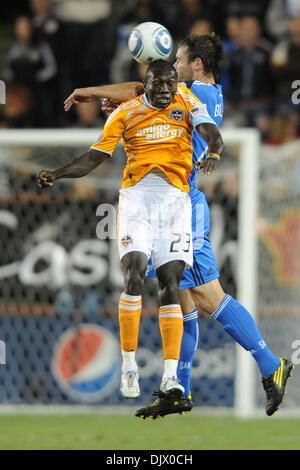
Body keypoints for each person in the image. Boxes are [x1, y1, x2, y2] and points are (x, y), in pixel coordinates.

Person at [63, 34, 294, 419]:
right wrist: (114, 97)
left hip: (181, 203)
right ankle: (177, 388)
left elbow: (142, 88)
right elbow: (144, 92)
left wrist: (96, 92)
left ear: (197, 66)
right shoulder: (204, 92)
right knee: (181, 300)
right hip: (167, 201)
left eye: (181, 60)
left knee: (208, 297)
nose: (174, 65)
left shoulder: (196, 94)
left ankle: (271, 364)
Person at [37, 59, 225, 404]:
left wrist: (213, 150)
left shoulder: (187, 102)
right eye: (160, 83)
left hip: (175, 202)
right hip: (136, 200)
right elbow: (94, 158)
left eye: (172, 82)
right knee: (134, 274)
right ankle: (128, 365)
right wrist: (58, 173)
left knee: (170, 284)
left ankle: (170, 376)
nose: (167, 88)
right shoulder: (125, 113)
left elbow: (211, 131)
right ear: (147, 84)